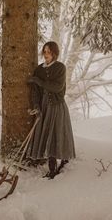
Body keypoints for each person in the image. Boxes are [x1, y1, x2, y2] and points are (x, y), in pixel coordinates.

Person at [27, 41, 76, 179]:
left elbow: (57, 87)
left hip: (57, 106)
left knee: (57, 134)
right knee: (47, 135)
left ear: (55, 53)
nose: (46, 54)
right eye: (45, 51)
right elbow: (35, 91)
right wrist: (36, 105)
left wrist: (39, 81)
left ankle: (64, 160)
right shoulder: (39, 70)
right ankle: (52, 168)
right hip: (44, 107)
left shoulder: (60, 67)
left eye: (49, 52)